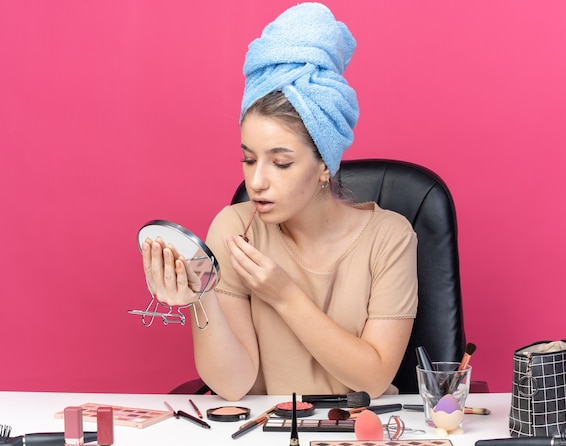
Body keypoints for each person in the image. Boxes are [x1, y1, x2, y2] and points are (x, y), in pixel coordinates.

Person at [141, 3, 417, 401]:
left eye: (281, 162)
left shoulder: (390, 238)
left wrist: (284, 295)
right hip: (265, 430)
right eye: (248, 159)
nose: (256, 181)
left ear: (325, 163)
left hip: (362, 432)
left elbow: (371, 381)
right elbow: (233, 385)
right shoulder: (234, 229)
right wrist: (201, 303)